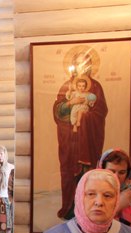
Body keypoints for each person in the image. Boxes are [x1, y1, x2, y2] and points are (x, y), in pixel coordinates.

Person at [54, 50, 108, 219]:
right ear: (73, 66)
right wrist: (70, 103)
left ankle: (88, 211)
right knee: (69, 173)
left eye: (85, 63)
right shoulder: (67, 86)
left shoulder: (96, 87)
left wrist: (85, 116)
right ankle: (70, 208)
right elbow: (57, 112)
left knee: (88, 174)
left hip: (88, 139)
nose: (81, 66)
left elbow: (101, 111)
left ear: (90, 66)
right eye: (78, 63)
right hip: (69, 140)